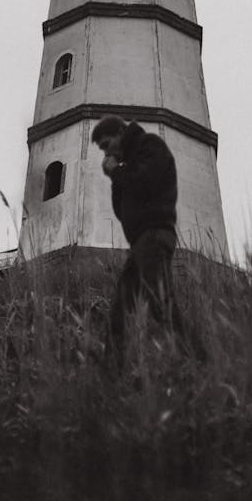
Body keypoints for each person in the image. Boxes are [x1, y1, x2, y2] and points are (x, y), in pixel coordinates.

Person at [92, 115, 186, 362]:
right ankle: (112, 372)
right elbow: (120, 207)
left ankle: (193, 359)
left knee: (160, 303)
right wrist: (117, 175)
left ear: (120, 134)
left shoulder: (150, 146)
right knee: (121, 309)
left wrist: (116, 173)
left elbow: (144, 184)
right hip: (141, 243)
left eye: (106, 145)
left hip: (154, 235)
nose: (105, 153)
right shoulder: (130, 162)